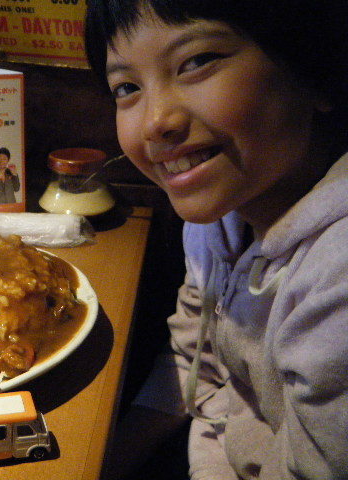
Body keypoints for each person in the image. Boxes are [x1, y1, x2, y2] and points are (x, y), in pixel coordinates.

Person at [84, 0, 348, 478]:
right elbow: (195, 356)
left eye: (197, 62)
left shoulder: (336, 279)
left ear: (314, 71)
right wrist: (99, 466)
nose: (156, 121)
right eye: (127, 87)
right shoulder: (223, 214)